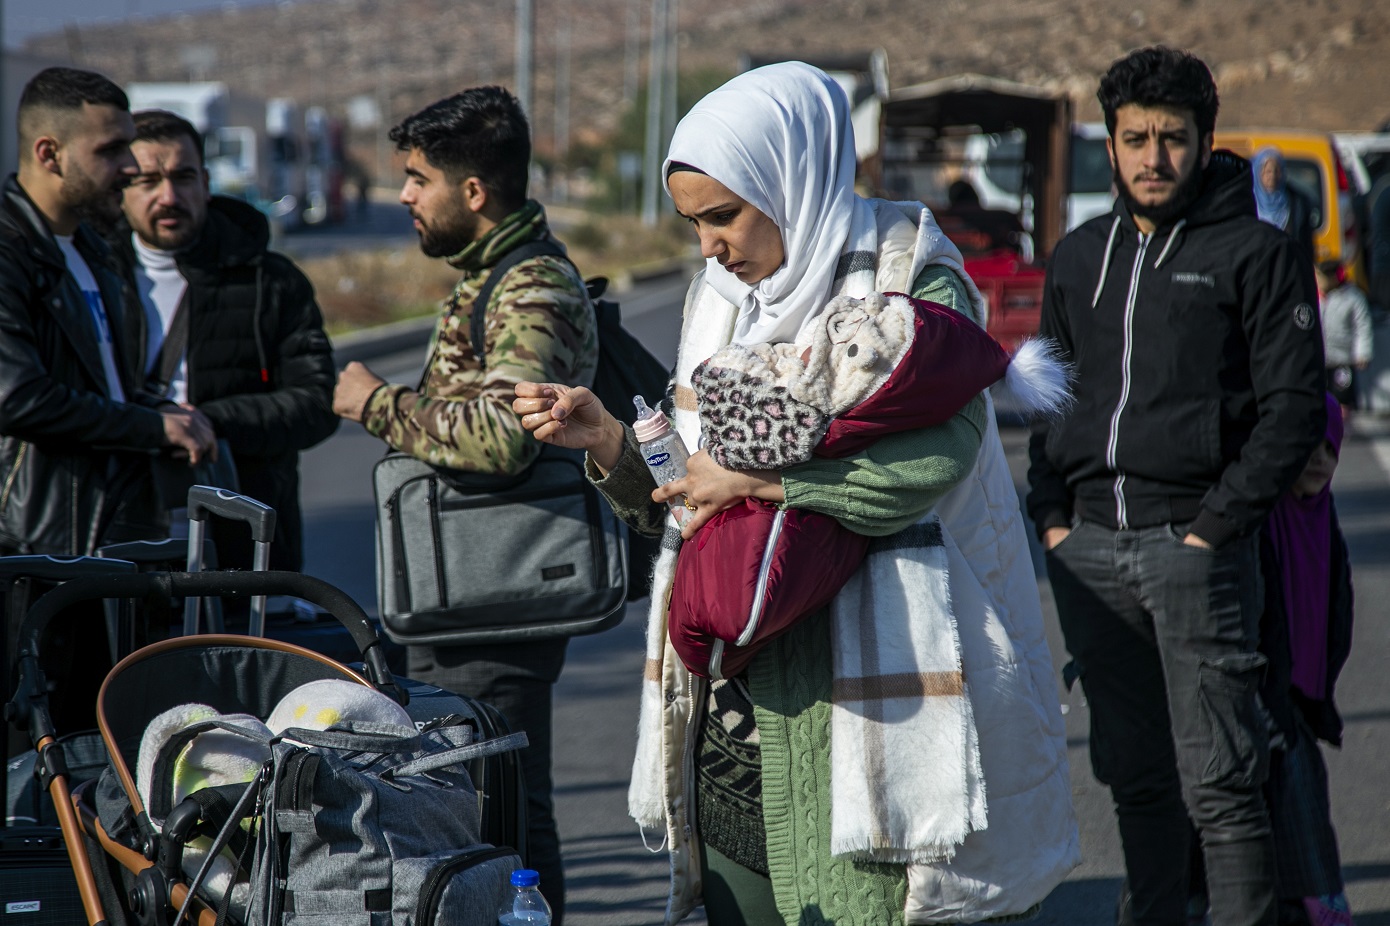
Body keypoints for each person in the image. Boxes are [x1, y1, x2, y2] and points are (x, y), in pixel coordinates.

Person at [515, 62, 1077, 925]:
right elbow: (689, 496)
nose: (708, 245)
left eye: (722, 216)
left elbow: (940, 457)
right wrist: (612, 444)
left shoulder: (911, 274)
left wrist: (770, 481)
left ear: (793, 179)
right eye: (694, 223)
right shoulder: (721, 304)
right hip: (734, 724)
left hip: (869, 721)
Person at [1026, 47, 1327, 926]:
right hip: (1088, 555)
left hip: (1197, 553)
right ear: (1110, 145)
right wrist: (1050, 519)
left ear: (1204, 141)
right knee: (1137, 780)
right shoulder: (1078, 256)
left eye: (1173, 138)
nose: (1154, 158)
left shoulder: (1257, 255)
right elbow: (1048, 395)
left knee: (1224, 786)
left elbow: (1292, 410)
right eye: (1135, 139)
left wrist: (1214, 528)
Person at [331, 86, 595, 924]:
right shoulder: (489, 278)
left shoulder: (530, 286)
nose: (404, 195)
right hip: (461, 600)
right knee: (473, 811)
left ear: (473, 192)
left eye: (417, 178)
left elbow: (501, 436)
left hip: (498, 603)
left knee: (502, 814)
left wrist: (377, 403)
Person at [0, 67, 215, 745]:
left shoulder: (93, 247)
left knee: (104, 755)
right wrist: (153, 426)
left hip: (102, 548)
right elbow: (18, 395)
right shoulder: (10, 252)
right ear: (47, 152)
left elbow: (106, 386)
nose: (129, 167)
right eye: (110, 149)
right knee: (39, 767)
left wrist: (164, 415)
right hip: (34, 554)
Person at [112, 109, 338, 571]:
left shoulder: (269, 282)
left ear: (207, 181)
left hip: (243, 550)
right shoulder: (87, 279)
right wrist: (149, 426)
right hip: (118, 547)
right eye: (148, 181)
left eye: (183, 176)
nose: (169, 195)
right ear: (119, 186)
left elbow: (317, 403)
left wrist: (208, 422)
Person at [1257, 394, 1355, 926]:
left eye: (1331, 450)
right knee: (1291, 781)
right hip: (1266, 681)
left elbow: (1334, 607)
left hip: (1301, 689)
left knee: (1297, 785)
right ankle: (1317, 903)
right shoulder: (1266, 514)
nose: (1319, 459)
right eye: (1309, 446)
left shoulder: (1324, 518)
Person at [1313, 259, 1373, 414]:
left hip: (1343, 359)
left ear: (1333, 277)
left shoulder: (1352, 297)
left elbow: (1362, 325)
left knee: (1343, 398)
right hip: (1320, 358)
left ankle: (1343, 431)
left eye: (1320, 277)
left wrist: (1363, 352)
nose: (1318, 281)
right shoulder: (1314, 297)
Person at [1253, 147, 1317, 262]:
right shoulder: (1249, 202)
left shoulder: (1297, 203)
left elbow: (1306, 242)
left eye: (1276, 171)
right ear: (1258, 173)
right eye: (1267, 171)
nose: (1272, 176)